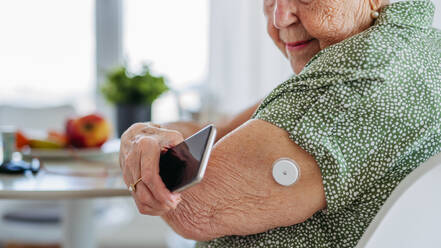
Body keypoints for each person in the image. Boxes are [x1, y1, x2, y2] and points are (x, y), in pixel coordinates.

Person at [120, 0, 441, 247]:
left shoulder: (356, 76)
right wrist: (149, 136)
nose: (279, 18)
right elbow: (223, 128)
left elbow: (192, 205)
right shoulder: (414, 45)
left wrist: (134, 142)